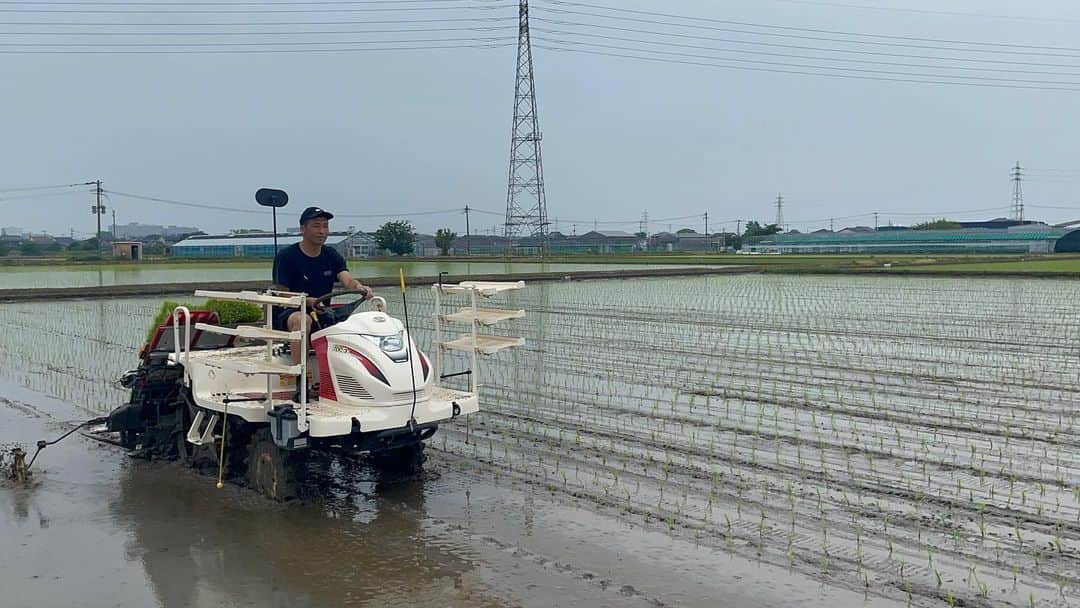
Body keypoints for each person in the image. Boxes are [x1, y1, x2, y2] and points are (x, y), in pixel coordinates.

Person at [271, 206, 373, 399]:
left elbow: (347, 280)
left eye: (325, 226)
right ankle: (300, 382)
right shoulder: (286, 257)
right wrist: (306, 300)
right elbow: (280, 294)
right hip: (290, 311)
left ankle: (351, 381)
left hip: (321, 310)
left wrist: (360, 287)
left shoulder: (331, 255)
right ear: (303, 229)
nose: (322, 231)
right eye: (317, 226)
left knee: (353, 324)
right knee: (303, 320)